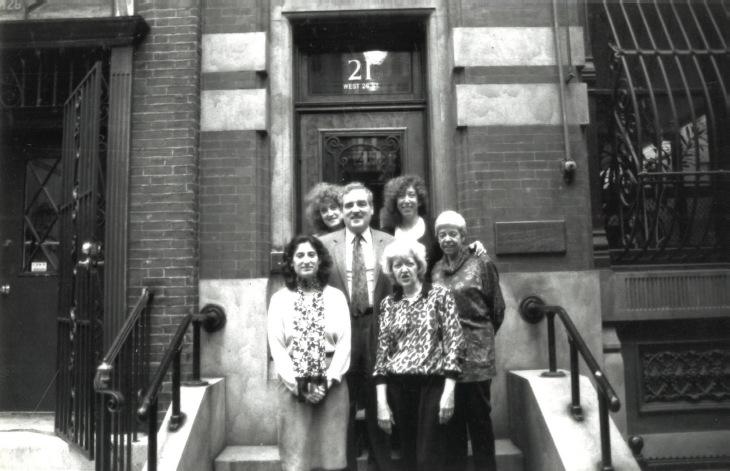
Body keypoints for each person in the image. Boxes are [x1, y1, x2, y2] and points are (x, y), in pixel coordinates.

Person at [318, 182, 396, 471]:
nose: (355, 210)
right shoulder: (324, 245)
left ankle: (381, 464)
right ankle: (346, 465)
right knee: (343, 404)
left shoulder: (390, 242)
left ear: (372, 209)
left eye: (361, 204)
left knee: (380, 399)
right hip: (341, 330)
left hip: (379, 328)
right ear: (342, 211)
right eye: (349, 205)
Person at [373, 240, 464, 471]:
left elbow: (455, 343)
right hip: (398, 386)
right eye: (397, 265)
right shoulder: (388, 304)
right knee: (408, 458)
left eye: (409, 263)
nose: (403, 270)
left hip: (432, 385)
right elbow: (382, 355)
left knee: (428, 458)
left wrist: (449, 392)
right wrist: (381, 403)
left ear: (419, 266)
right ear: (391, 271)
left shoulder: (439, 295)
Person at [267, 234, 351, 471]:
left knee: (331, 459)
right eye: (300, 255)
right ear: (291, 262)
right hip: (293, 384)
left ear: (320, 260)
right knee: (297, 461)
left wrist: (326, 382)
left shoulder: (336, 297)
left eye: (312, 254)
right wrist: (299, 386)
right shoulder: (279, 300)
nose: (306, 260)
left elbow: (344, 344)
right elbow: (277, 347)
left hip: (332, 385)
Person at [431, 210, 505, 471]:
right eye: (442, 234)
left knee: (479, 422)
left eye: (453, 233)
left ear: (463, 236)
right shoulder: (436, 269)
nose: (447, 239)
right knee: (452, 426)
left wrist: (479, 337)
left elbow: (497, 309)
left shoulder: (481, 263)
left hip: (477, 357)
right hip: (447, 357)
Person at [380, 174, 485, 275]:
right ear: (395, 202)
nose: (406, 200)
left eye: (411, 195)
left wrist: (472, 248)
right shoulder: (386, 233)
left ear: (419, 200)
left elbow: (455, 251)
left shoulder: (435, 227)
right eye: (401, 196)